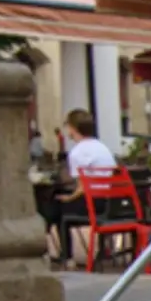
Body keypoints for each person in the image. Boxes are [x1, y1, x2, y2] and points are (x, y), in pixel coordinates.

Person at [47, 109, 118, 264]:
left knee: (57, 208)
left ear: (73, 128)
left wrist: (67, 198)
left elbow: (82, 187)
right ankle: (101, 250)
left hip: (92, 203)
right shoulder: (102, 147)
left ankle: (66, 255)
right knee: (61, 204)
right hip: (109, 202)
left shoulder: (77, 152)